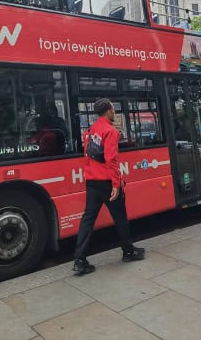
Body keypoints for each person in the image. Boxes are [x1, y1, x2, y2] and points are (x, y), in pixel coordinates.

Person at [72, 98, 145, 275]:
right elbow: (111, 159)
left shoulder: (90, 131)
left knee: (88, 220)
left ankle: (79, 261)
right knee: (120, 218)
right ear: (108, 111)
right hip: (107, 182)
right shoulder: (110, 131)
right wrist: (115, 184)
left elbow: (88, 156)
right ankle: (128, 251)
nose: (115, 112)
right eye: (113, 108)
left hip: (92, 182)